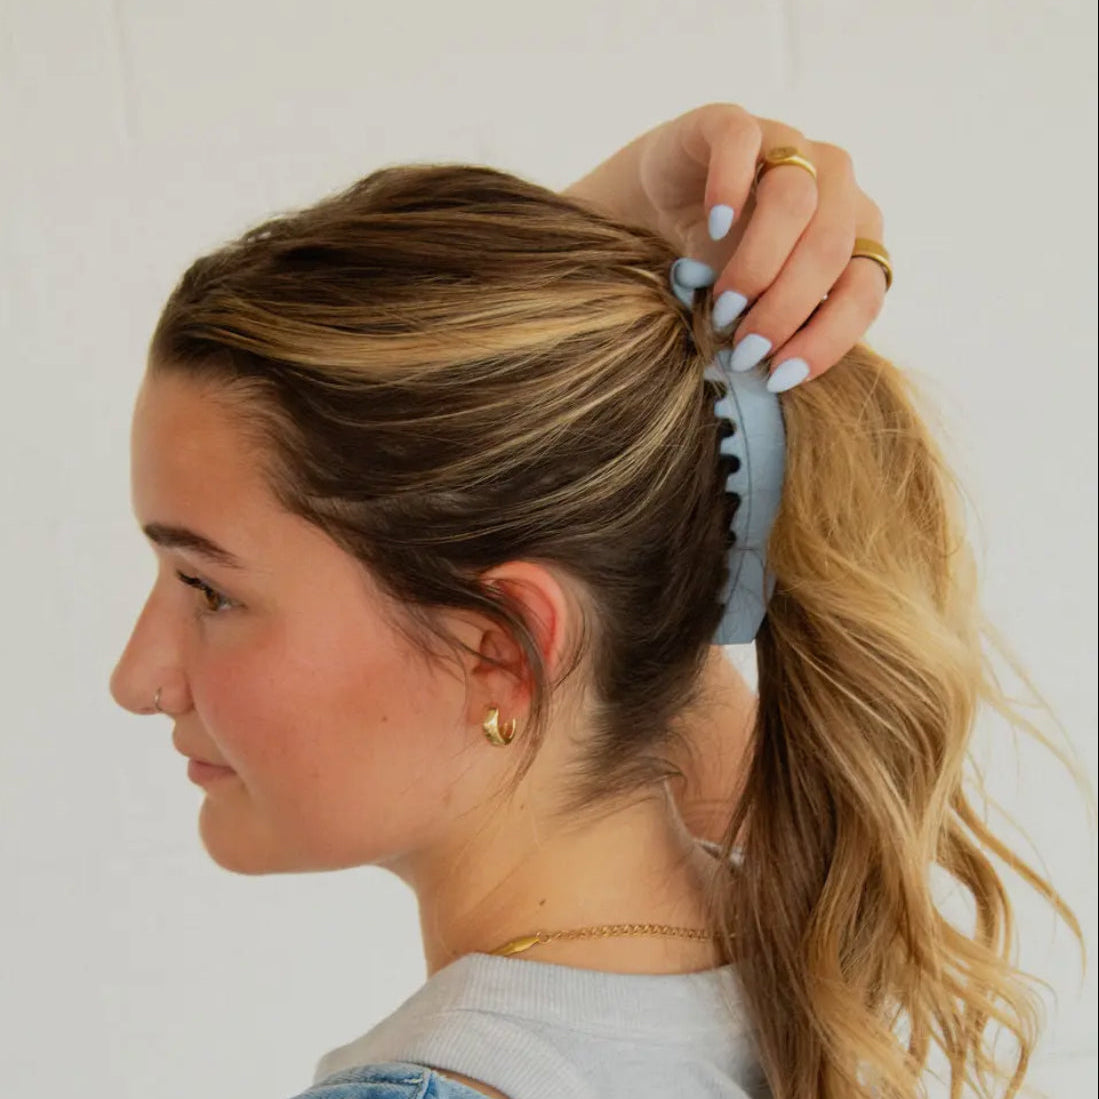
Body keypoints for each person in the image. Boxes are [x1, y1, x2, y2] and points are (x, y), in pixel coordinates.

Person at [108, 104, 1087, 1099]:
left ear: (500, 649)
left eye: (207, 588)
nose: (136, 678)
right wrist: (609, 308)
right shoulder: (784, 967)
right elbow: (620, 549)